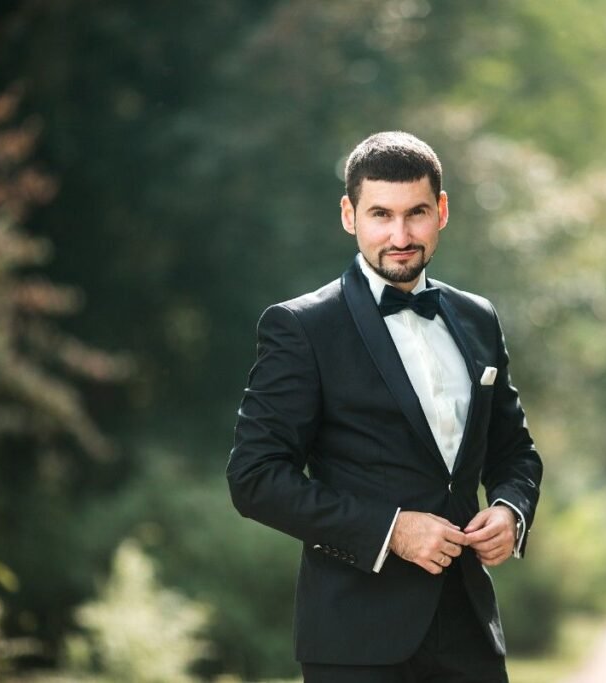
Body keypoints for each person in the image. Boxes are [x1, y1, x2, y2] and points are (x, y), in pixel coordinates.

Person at [226, 131, 543, 682]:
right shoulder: (301, 327)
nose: (400, 235)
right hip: (355, 642)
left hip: (469, 634)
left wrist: (511, 510)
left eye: (416, 213)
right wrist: (390, 530)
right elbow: (254, 478)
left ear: (441, 210)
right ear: (350, 215)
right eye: (380, 215)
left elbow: (514, 451)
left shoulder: (477, 318)